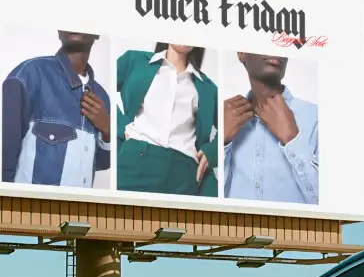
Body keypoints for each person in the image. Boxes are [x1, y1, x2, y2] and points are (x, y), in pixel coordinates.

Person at [2, 31, 111, 188]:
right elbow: (5, 155)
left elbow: (101, 164)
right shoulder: (28, 74)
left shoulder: (102, 97)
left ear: (97, 33)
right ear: (59, 32)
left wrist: (108, 130)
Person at [117, 44, 218, 197]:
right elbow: (102, 86)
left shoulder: (207, 87)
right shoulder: (134, 60)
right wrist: (120, 126)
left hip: (185, 173)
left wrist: (212, 151)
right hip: (136, 163)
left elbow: (229, 125)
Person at [223, 52, 318, 204]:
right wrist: (220, 144)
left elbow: (333, 205)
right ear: (241, 54)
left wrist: (292, 139)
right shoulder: (223, 118)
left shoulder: (316, 118)